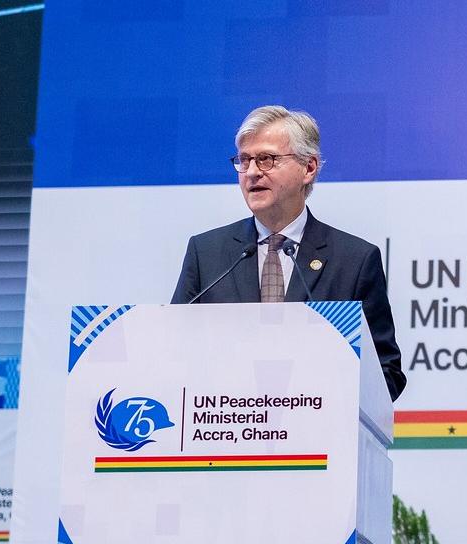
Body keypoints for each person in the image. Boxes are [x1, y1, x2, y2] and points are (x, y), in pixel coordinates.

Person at [172, 105, 406, 401]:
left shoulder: (355, 261)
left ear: (309, 168)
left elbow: (387, 375)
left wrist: (321, 398)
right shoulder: (206, 254)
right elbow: (174, 353)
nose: (252, 172)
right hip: (224, 433)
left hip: (318, 440)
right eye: (244, 161)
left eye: (266, 159)